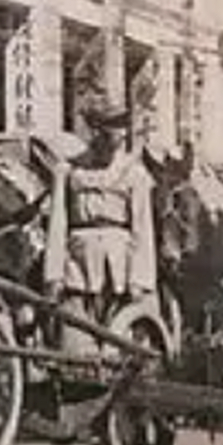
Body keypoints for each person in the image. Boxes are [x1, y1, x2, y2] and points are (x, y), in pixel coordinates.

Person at [42, 93, 156, 355]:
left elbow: (142, 228)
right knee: (74, 344)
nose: (117, 136)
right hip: (78, 267)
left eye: (120, 128)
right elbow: (58, 223)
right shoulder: (69, 170)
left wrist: (139, 280)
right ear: (96, 131)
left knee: (118, 347)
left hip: (120, 270)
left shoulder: (134, 174)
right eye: (110, 129)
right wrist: (54, 274)